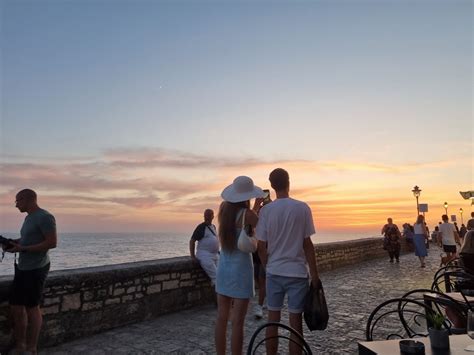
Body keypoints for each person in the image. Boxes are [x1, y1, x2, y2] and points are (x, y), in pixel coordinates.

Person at [256, 168, 320, 355]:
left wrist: (268, 265)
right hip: (297, 274)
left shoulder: (266, 211)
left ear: (272, 186)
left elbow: (261, 246)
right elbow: (307, 244)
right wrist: (314, 276)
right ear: (288, 182)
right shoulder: (302, 208)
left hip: (274, 273)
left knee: (272, 321)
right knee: (295, 325)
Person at [3, 189, 57, 354]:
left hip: (36, 269)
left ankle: (32, 348)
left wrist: (23, 248)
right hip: (22, 268)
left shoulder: (45, 217)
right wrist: (13, 244)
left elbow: (52, 242)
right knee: (16, 306)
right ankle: (21, 345)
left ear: (27, 199)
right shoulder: (28, 218)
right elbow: (27, 240)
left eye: (17, 201)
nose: (16, 204)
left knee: (32, 307)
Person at [214, 176, 264, 355]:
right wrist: (258, 208)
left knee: (221, 318)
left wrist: (254, 209)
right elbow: (261, 228)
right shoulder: (248, 214)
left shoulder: (223, 210)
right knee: (238, 323)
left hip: (224, 269)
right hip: (241, 271)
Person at [189, 209, 219, 286]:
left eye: (209, 215)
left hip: (215, 255)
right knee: (217, 278)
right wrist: (193, 256)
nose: (207, 217)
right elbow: (192, 241)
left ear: (212, 216)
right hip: (205, 255)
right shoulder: (201, 227)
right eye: (206, 215)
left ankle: (218, 296)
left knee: (222, 275)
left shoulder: (213, 227)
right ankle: (220, 297)